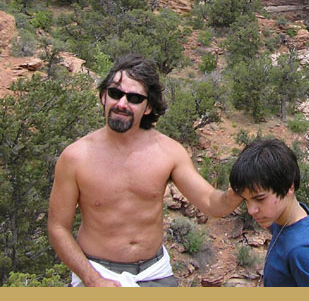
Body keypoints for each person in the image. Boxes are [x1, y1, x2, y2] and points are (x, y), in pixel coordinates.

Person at [48, 53, 241, 287]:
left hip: (155, 273)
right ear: (103, 96)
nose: (121, 103)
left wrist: (237, 193)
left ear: (148, 107)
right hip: (96, 272)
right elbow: (58, 228)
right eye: (115, 93)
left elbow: (212, 203)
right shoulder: (75, 157)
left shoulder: (169, 152)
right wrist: (93, 279)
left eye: (134, 98)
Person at [229, 138, 309, 287]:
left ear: (289, 188)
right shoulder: (285, 218)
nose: (251, 210)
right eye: (245, 200)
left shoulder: (303, 251)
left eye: (259, 198)